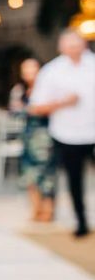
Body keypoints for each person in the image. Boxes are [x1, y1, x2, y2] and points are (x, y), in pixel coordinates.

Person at [29, 30, 95, 238]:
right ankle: (81, 221)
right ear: (62, 48)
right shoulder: (52, 71)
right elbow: (36, 106)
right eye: (69, 47)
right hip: (68, 135)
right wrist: (63, 103)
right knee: (75, 181)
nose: (74, 50)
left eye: (77, 46)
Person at [10, 58, 57, 223]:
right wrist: (33, 110)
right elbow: (14, 110)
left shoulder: (48, 89)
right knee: (29, 173)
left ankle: (48, 209)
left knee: (47, 173)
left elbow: (53, 109)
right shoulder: (20, 90)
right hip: (28, 135)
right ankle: (35, 207)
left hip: (46, 135)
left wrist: (36, 110)